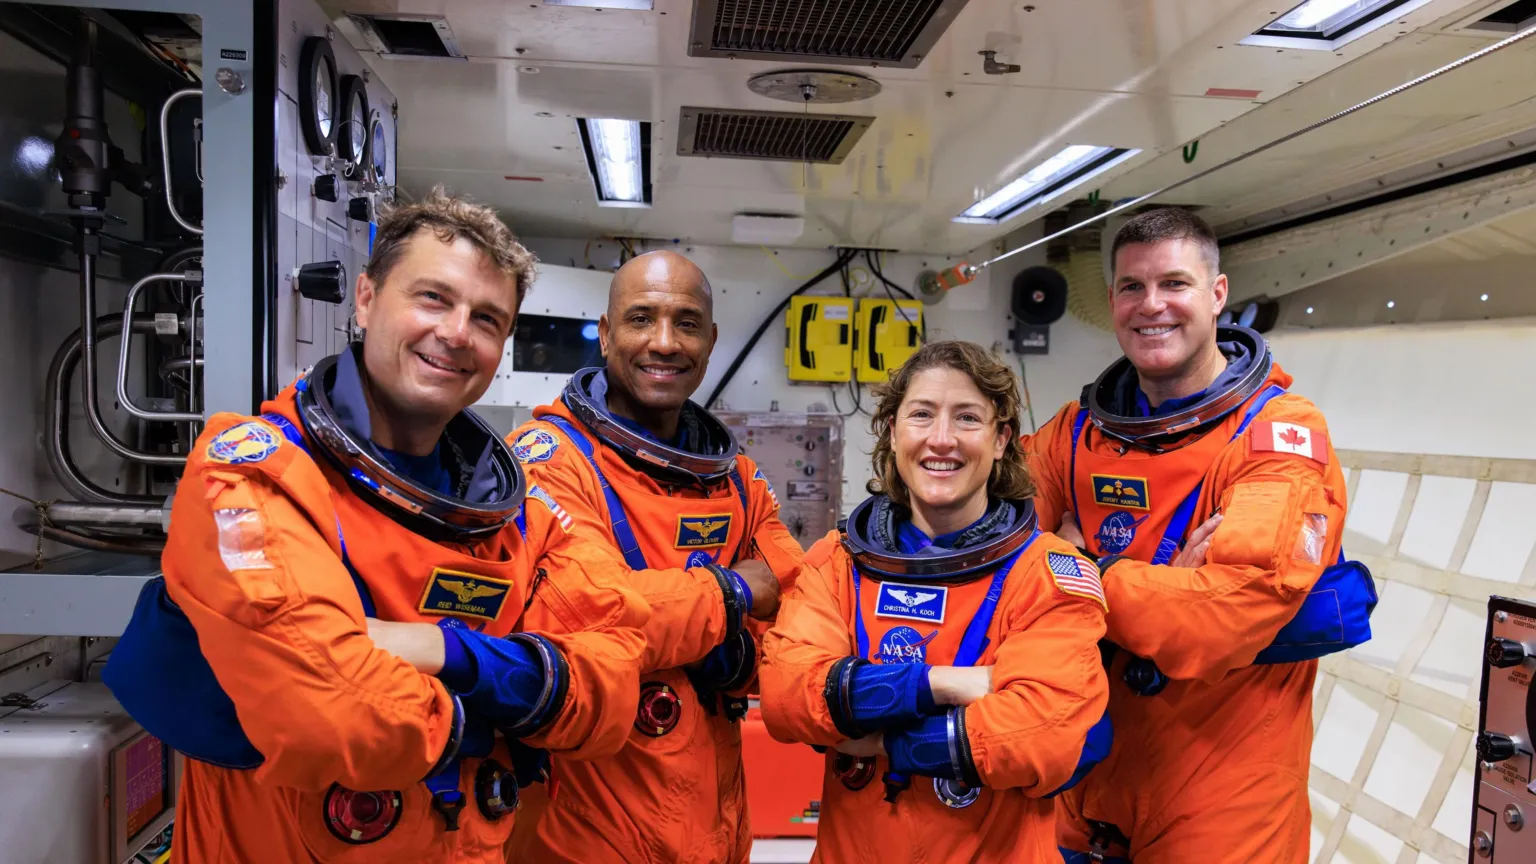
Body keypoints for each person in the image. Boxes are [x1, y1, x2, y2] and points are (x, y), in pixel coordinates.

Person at [103, 188, 653, 862]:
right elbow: (331, 714)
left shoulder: (522, 513)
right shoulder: (254, 473)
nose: (456, 332)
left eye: (486, 318)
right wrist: (515, 700)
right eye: (433, 298)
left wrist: (445, 653)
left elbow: (613, 686)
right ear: (365, 299)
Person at [1027, 207, 1373, 863]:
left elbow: (1224, 616)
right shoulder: (1074, 435)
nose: (1151, 305)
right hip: (1079, 796)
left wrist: (1085, 570)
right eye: (1132, 287)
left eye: (1174, 284)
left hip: (1222, 807)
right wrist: (1169, 586)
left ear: (1217, 295)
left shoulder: (1278, 437)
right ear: (1112, 302)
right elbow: (992, 556)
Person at [758, 340, 1113, 863]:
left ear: (1000, 440)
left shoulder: (1048, 572)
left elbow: (1044, 737)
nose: (941, 440)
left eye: (967, 418)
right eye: (922, 415)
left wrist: (882, 741)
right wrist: (944, 684)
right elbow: (788, 698)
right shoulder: (838, 561)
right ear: (894, 431)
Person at [502, 250, 802, 864]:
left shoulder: (738, 481)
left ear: (711, 340)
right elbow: (599, 617)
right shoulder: (548, 462)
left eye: (686, 323)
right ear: (607, 334)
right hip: (583, 830)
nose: (664, 342)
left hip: (715, 828)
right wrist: (735, 595)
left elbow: (804, 625)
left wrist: (736, 653)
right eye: (641, 318)